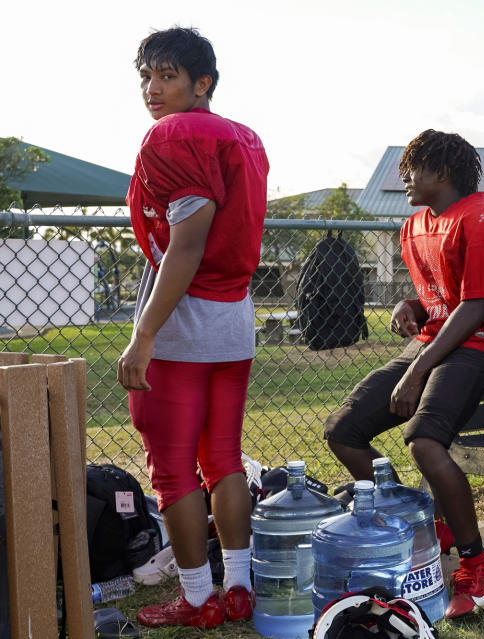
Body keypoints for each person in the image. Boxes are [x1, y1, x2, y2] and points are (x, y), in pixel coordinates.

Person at [324, 129, 484, 618]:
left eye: (412, 168)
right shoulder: (413, 226)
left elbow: (475, 309)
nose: (404, 178)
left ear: (442, 172)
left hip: (483, 344)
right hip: (434, 342)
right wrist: (409, 305)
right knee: (342, 430)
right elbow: (442, 298)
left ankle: (477, 563)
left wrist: (415, 371)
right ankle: (427, 523)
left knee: (425, 440)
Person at [119, 27, 268, 629]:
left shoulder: (175, 134)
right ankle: (237, 587)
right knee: (224, 459)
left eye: (167, 76)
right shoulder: (246, 138)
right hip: (234, 316)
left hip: (183, 319)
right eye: (146, 78)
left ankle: (199, 598)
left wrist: (144, 334)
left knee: (174, 466)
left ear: (202, 83)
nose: (153, 90)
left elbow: (185, 245)